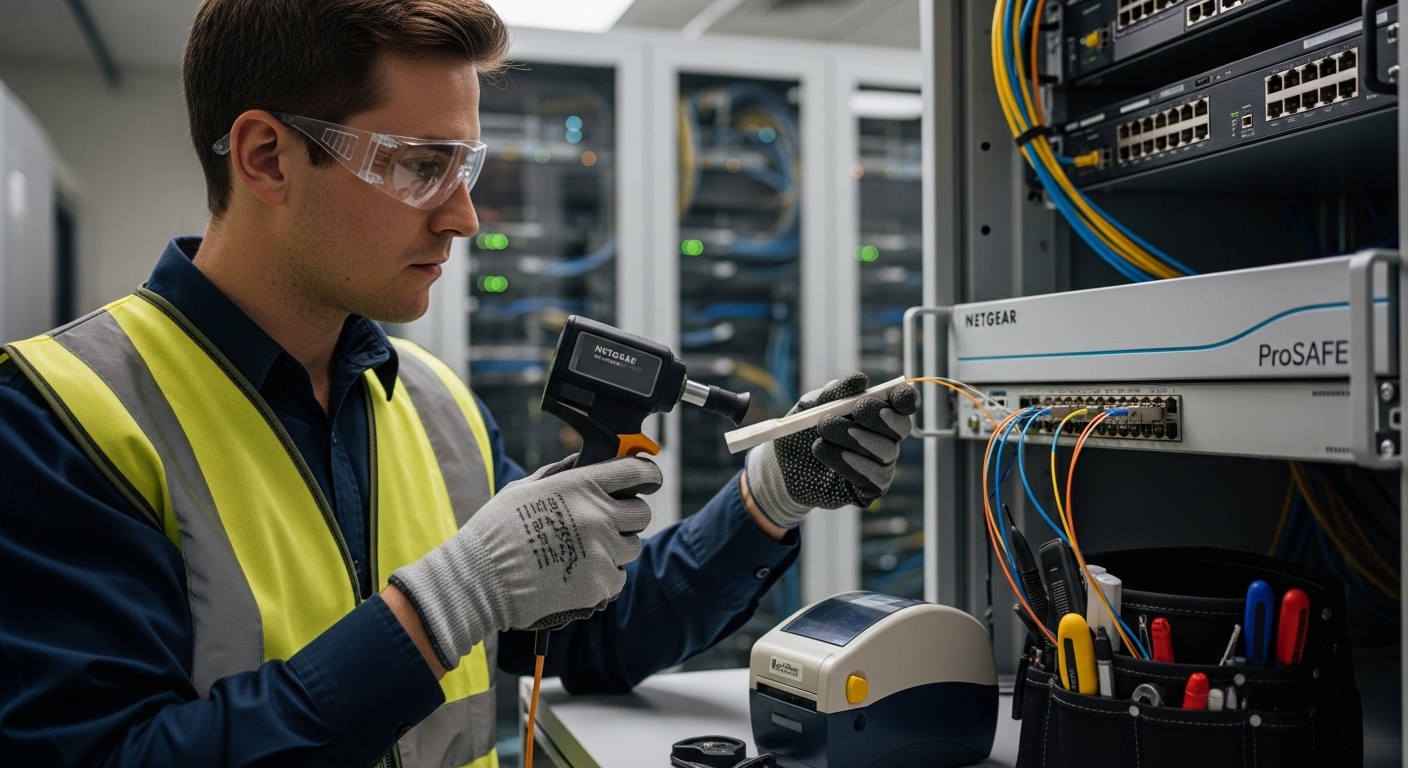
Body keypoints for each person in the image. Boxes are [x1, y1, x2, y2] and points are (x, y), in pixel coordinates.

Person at [0, 1, 919, 766]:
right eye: (418, 164)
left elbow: (590, 631)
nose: (465, 217)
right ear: (266, 158)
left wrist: (770, 494)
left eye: (466, 165)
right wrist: (440, 607)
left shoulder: (433, 406)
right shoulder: (64, 419)